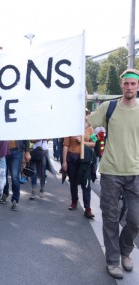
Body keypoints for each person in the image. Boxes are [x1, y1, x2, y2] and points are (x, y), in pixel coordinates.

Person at [86, 69, 139, 279]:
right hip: (110, 172)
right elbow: (88, 122)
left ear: (138, 86)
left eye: (132, 84)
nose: (129, 87)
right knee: (110, 217)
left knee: (135, 219)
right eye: (126, 83)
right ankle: (113, 260)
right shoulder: (110, 107)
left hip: (136, 173)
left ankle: (126, 251)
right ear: (121, 85)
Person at [62, 116, 96, 219]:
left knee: (86, 184)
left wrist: (82, 141)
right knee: (73, 182)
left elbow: (93, 143)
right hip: (72, 158)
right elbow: (65, 145)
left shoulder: (90, 128)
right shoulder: (70, 128)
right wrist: (64, 161)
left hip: (85, 160)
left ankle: (88, 209)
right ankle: (74, 201)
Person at [0, 140, 31, 210]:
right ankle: (5, 193)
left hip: (17, 151)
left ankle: (15, 200)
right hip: (3, 151)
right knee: (3, 175)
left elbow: (25, 135)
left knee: (15, 176)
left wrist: (27, 151)